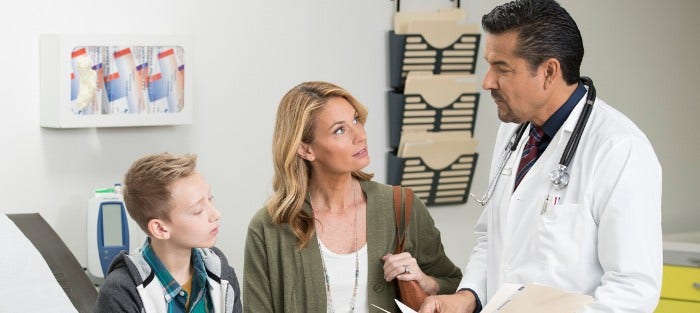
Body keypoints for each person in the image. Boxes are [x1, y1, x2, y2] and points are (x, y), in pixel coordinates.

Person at [419, 0, 662, 312]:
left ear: (549, 72)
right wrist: (469, 298)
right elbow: (491, 240)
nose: (487, 82)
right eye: (489, 65)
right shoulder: (512, 133)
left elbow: (633, 289)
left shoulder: (618, 149)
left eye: (502, 68)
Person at [243, 81, 463, 312]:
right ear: (306, 149)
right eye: (340, 129)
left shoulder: (402, 207)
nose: (360, 136)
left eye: (356, 120)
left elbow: (456, 287)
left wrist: (426, 282)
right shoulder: (269, 228)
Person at [94, 153, 242, 313]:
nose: (216, 214)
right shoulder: (120, 294)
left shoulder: (221, 274)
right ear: (160, 229)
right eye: (198, 210)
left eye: (210, 199)